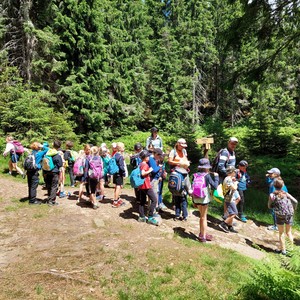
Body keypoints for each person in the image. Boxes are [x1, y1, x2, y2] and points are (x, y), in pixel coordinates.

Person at [192, 158, 219, 242]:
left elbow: (192, 187)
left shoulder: (194, 175)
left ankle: (202, 232)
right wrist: (216, 177)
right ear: (207, 167)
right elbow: (215, 186)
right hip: (204, 199)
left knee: (202, 216)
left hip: (196, 198)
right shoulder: (207, 175)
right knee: (203, 217)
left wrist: (193, 200)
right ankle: (203, 237)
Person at [268, 178, 297, 255]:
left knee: (281, 233)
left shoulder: (272, 195)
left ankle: (283, 250)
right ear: (282, 185)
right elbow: (296, 202)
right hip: (289, 215)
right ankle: (291, 250)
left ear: (274, 185)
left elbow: (269, 206)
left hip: (279, 216)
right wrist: (294, 209)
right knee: (289, 232)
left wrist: (273, 206)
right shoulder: (286, 194)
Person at [138, 150, 159, 225]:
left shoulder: (141, 164)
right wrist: (149, 170)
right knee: (154, 200)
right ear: (145, 157)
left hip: (141, 185)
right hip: (146, 185)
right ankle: (150, 217)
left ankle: (141, 216)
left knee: (142, 201)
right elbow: (143, 173)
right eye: (148, 156)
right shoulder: (145, 165)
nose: (149, 157)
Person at [218, 166, 240, 233]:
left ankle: (230, 226)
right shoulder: (228, 179)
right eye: (234, 172)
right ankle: (224, 224)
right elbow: (234, 188)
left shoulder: (227, 178)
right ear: (232, 172)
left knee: (231, 213)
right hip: (229, 198)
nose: (235, 173)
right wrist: (236, 183)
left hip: (228, 197)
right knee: (234, 212)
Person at [43, 140, 63, 206]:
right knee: (54, 186)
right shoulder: (57, 155)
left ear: (52, 145)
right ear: (59, 146)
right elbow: (60, 164)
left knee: (48, 185)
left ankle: (49, 198)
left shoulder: (48, 152)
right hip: (54, 172)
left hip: (47, 171)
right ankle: (51, 201)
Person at [112, 142, 126, 208]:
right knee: (118, 187)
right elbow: (121, 166)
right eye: (123, 147)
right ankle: (115, 201)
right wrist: (124, 173)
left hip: (115, 173)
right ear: (120, 148)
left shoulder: (115, 155)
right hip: (119, 173)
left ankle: (117, 198)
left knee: (116, 186)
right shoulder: (120, 156)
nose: (124, 148)